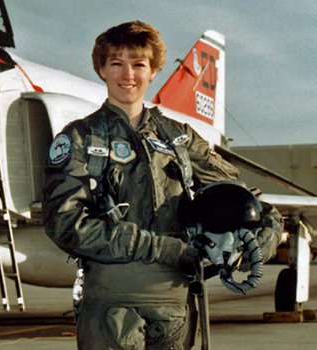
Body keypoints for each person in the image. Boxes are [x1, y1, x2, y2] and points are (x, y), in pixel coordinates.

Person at [42, 21, 283, 350]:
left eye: (139, 64)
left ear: (153, 71)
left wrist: (254, 246)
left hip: (175, 310)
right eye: (117, 63)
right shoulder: (80, 138)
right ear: (101, 69)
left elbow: (247, 201)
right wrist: (164, 249)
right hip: (111, 309)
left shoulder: (180, 138)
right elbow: (65, 224)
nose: (128, 75)